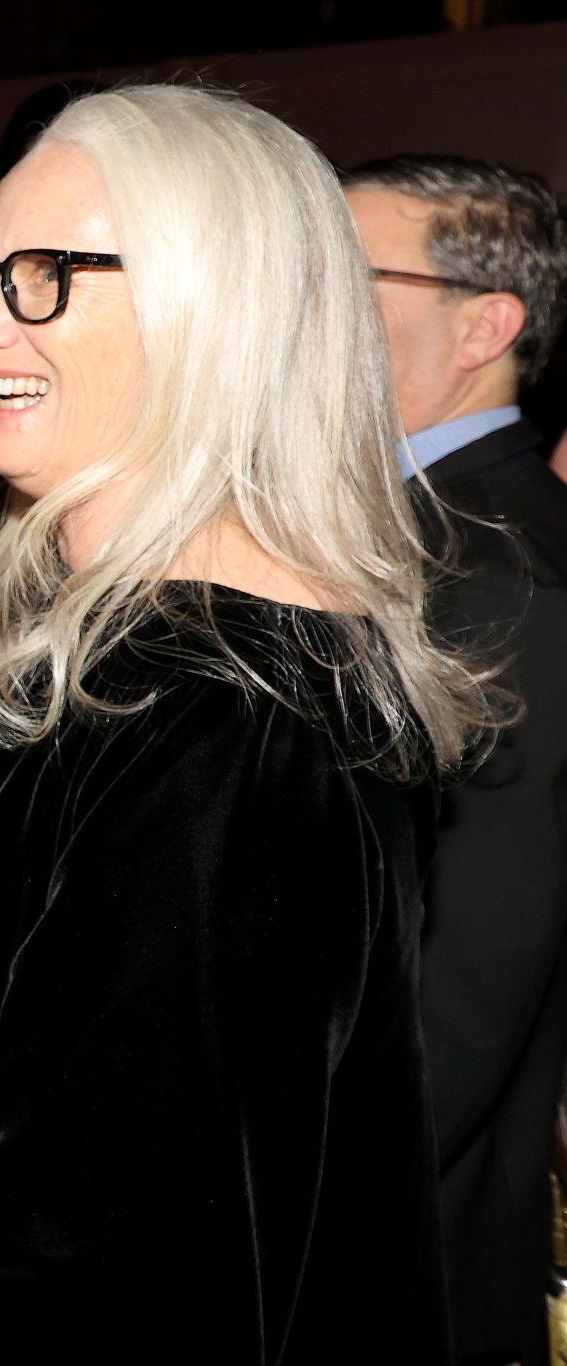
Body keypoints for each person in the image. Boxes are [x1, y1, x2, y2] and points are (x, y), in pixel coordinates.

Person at [0, 86, 500, 1364]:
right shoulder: (153, 664)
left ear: (213, 309)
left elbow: (98, 1293)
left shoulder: (216, 732)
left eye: (39, 277)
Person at [346, 154, 567, 1366]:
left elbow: (467, 973)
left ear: (483, 327)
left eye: (350, 279)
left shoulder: (495, 574)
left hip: (397, 1237)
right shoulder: (395, 526)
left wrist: (306, 1190)